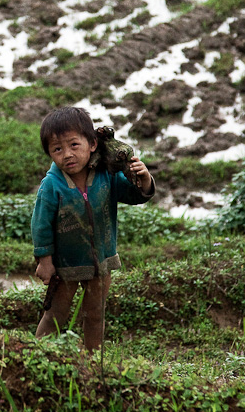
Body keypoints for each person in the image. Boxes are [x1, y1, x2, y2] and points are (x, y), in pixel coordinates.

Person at [32, 107, 155, 351]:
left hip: (102, 260)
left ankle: (92, 360)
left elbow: (134, 195)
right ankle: (37, 356)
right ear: (49, 153)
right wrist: (45, 261)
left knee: (96, 314)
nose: (67, 154)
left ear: (93, 144)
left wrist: (144, 179)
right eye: (57, 149)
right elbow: (41, 225)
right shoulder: (52, 185)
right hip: (65, 265)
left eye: (74, 145)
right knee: (56, 314)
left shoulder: (106, 176)